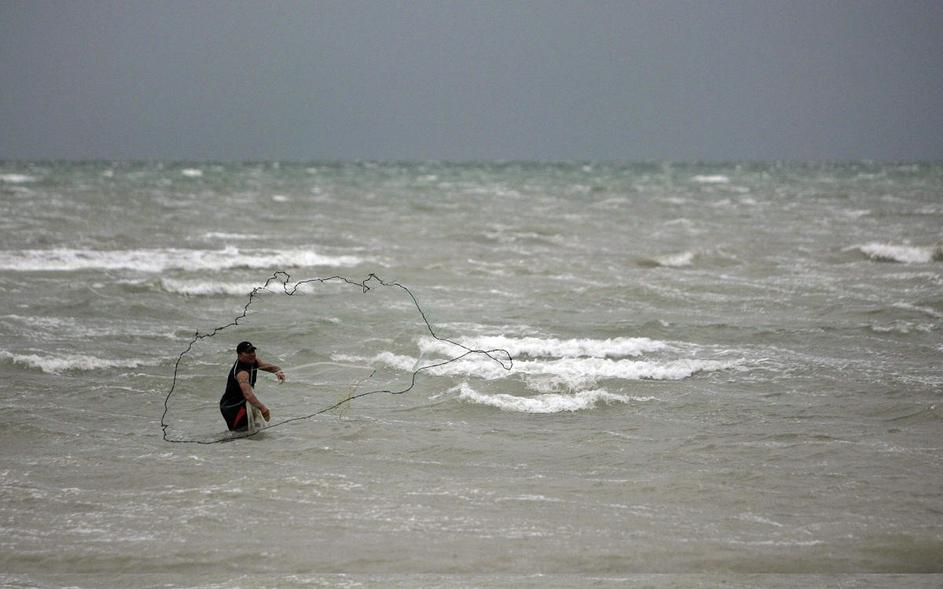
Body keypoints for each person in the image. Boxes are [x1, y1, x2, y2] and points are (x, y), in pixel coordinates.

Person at [220, 341, 286, 431]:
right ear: (239, 355)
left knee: (252, 431)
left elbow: (268, 367)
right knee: (239, 434)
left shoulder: (254, 361)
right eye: (248, 352)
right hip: (233, 407)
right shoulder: (241, 372)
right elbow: (248, 394)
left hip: (244, 402)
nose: (252, 354)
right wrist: (262, 408)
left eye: (253, 351)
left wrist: (278, 371)